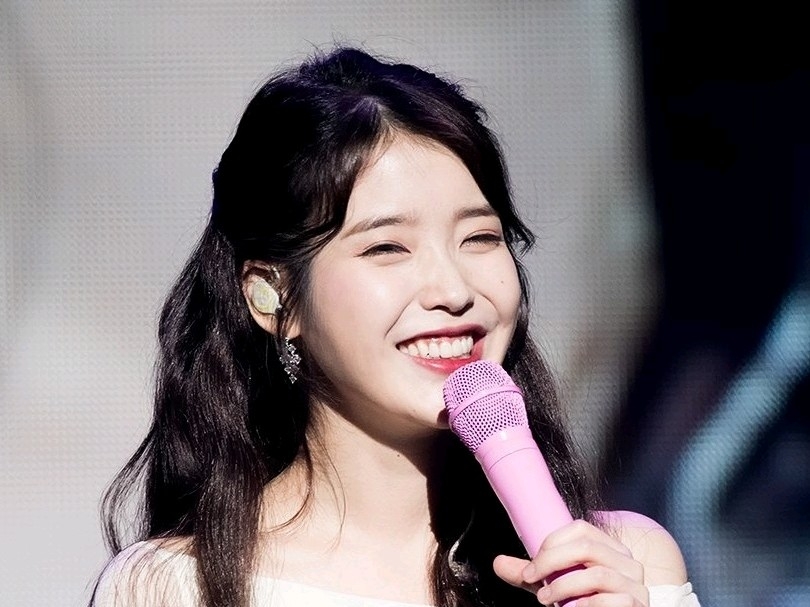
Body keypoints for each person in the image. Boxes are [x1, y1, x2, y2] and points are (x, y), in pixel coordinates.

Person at [91, 47, 700, 607]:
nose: (455, 291)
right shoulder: (176, 587)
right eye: (387, 248)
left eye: (480, 238)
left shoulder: (628, 564)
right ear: (273, 297)